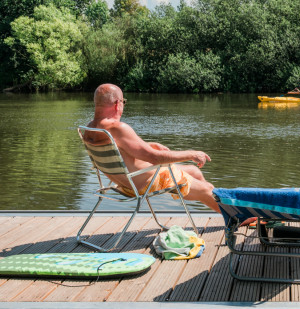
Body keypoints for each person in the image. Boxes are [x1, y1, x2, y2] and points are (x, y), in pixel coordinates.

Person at [84, 83, 220, 212]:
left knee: (194, 171)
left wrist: (149, 145)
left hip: (125, 183)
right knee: (207, 189)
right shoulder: (118, 128)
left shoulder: (90, 128)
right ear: (117, 104)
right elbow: (155, 158)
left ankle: (221, 212)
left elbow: (121, 151)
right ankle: (231, 218)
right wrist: (191, 154)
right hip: (144, 183)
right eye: (123, 102)